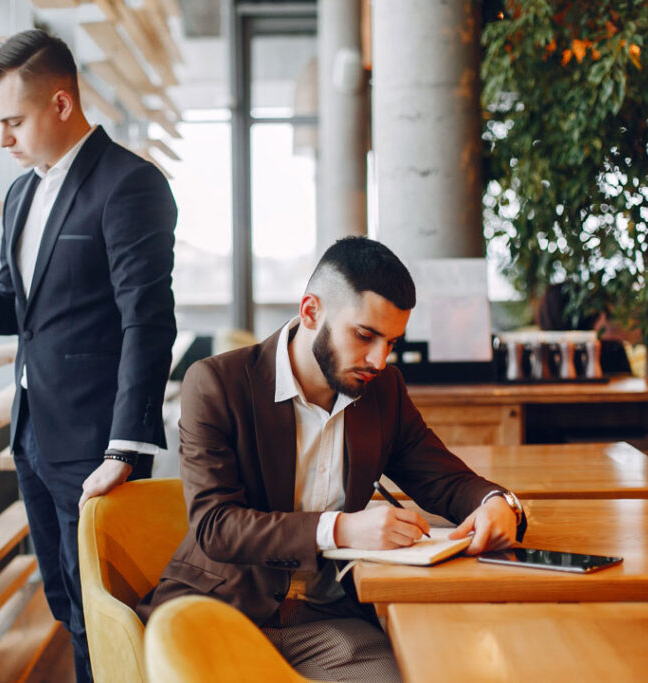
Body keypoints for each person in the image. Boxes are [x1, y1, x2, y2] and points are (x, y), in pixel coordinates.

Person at [137, 237, 525, 682]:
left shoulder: (384, 391)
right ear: (310, 312)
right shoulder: (216, 383)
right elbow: (215, 525)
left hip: (326, 620)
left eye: (392, 342)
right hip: (218, 609)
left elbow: (445, 479)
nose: (380, 360)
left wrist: (497, 502)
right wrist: (340, 529)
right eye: (365, 335)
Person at [0, 30, 176, 682]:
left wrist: (125, 450)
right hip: (33, 437)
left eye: (13, 121)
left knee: (113, 611)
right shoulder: (20, 194)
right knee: (67, 604)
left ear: (63, 103)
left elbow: (148, 324)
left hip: (99, 448)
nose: (2, 140)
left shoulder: (130, 185)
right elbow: (26, 307)